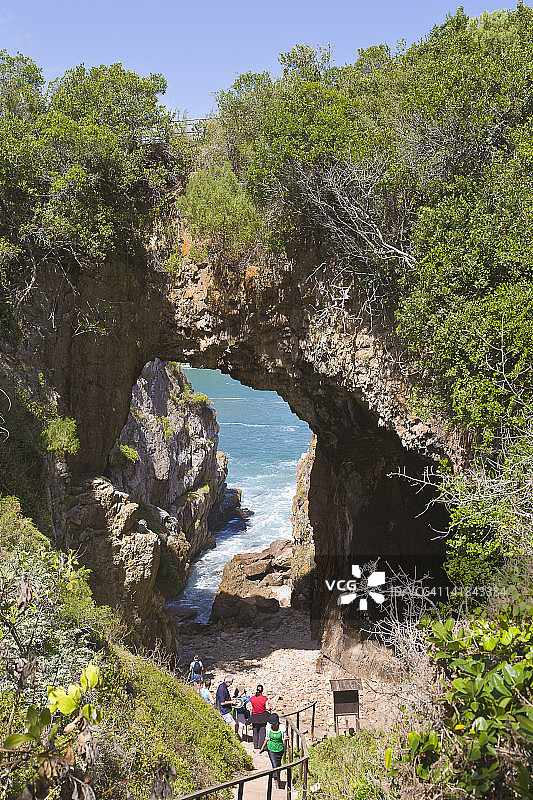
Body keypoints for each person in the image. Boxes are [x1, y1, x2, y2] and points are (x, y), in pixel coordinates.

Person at [260, 713, 286, 789]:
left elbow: (284, 738)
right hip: (271, 749)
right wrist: (262, 747)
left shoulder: (282, 728)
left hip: (280, 748)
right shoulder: (268, 727)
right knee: (275, 766)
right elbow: (267, 737)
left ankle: (278, 779)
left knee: (278, 765)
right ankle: (277, 785)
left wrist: (285, 744)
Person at [249, 684, 270, 751]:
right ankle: (261, 746)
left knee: (255, 731)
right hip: (263, 717)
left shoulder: (252, 698)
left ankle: (255, 745)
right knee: (262, 732)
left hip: (255, 717)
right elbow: (267, 707)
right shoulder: (264, 698)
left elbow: (250, 708)